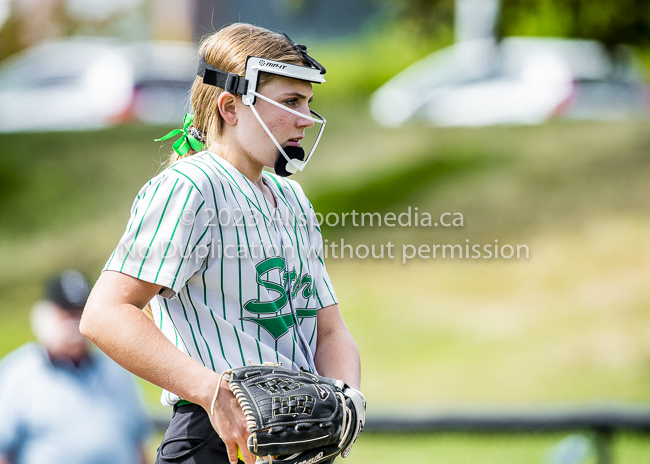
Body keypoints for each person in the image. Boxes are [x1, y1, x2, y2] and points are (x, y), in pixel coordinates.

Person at [80, 23, 361, 464]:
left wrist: (346, 397)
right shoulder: (189, 187)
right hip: (214, 441)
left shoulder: (292, 198)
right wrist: (213, 393)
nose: (306, 118)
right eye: (290, 102)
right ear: (230, 107)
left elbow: (330, 330)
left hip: (289, 444)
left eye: (308, 103)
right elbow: (104, 314)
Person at [0, 270, 151, 464]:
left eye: (80, 312)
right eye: (67, 313)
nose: (74, 322)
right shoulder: (17, 372)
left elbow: (138, 443)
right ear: (46, 314)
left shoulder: (116, 369)